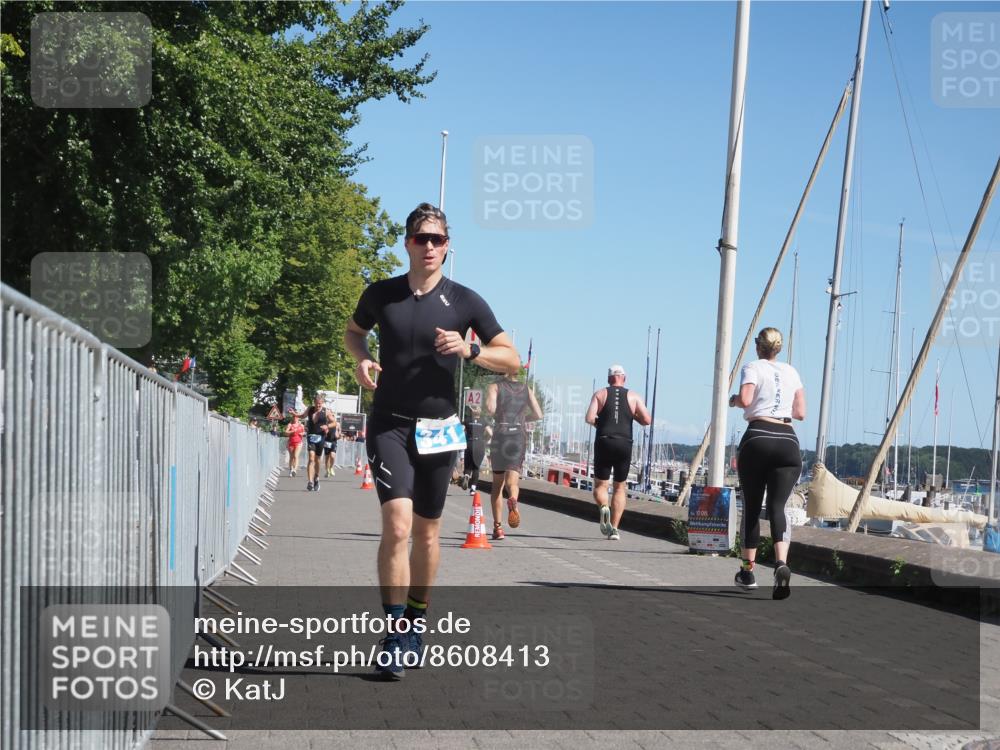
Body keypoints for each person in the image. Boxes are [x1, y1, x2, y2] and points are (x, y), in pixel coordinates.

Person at [345, 202, 519, 679]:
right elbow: (353, 332)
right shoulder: (381, 294)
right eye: (421, 238)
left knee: (426, 531)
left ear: (448, 247)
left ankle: (417, 622)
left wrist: (471, 348)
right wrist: (360, 359)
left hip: (440, 429)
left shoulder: (465, 301)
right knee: (397, 526)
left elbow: (512, 359)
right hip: (390, 425)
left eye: (437, 240)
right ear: (406, 243)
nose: (428, 247)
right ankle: (395, 632)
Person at [729, 327, 805, 600]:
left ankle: (747, 572)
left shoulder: (753, 367)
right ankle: (781, 564)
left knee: (752, 506)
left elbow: (747, 399)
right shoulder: (791, 372)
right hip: (788, 441)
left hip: (758, 437)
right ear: (779, 349)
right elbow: (800, 412)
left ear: (759, 347)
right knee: (778, 507)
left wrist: (734, 401)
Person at [584, 365, 651, 541]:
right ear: (624, 378)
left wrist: (601, 424)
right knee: (620, 486)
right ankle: (614, 529)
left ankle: (604, 506)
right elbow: (647, 420)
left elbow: (590, 418)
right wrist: (632, 416)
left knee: (601, 485)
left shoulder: (600, 394)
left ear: (608, 379)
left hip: (604, 440)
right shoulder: (634, 396)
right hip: (624, 443)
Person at [486, 372, 543, 539]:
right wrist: (523, 419)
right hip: (518, 436)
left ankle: (498, 528)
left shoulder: (495, 386)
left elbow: (491, 410)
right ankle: (513, 498)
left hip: (501, 435)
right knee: (513, 482)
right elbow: (539, 415)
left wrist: (488, 402)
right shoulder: (527, 389)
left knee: (497, 485)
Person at [302, 394, 331, 491]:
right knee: (311, 458)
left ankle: (316, 478)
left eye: (320, 404)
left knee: (318, 460)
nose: (318, 406)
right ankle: (310, 482)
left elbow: (334, 422)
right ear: (314, 403)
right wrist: (294, 414)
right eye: (316, 404)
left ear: (322, 403)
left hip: (321, 437)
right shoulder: (310, 409)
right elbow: (302, 415)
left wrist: (327, 426)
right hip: (311, 436)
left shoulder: (326, 411)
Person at [460, 405, 490, 494]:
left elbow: (460, 430)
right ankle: (473, 489)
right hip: (480, 445)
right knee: (476, 467)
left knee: (468, 465)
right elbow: (490, 433)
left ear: (472, 412)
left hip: (469, 443)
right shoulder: (484, 421)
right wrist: (485, 441)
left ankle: (466, 476)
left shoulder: (467, 420)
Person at [285, 412, 305, 477]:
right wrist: (292, 431)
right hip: (291, 442)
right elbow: (286, 432)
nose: (295, 418)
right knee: (292, 457)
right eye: (294, 417)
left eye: (296, 417)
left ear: (298, 418)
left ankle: (295, 470)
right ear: (292, 417)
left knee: (296, 456)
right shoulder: (290, 425)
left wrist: (303, 434)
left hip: (299, 442)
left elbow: (304, 432)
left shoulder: (301, 425)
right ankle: (291, 469)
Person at [324, 413, 340, 477]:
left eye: (333, 416)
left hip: (334, 441)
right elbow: (324, 433)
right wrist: (325, 432)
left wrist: (339, 436)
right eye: (330, 416)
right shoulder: (326, 424)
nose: (331, 418)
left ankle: (331, 467)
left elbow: (338, 433)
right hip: (327, 441)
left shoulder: (337, 424)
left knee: (332, 456)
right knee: (327, 458)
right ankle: (327, 470)